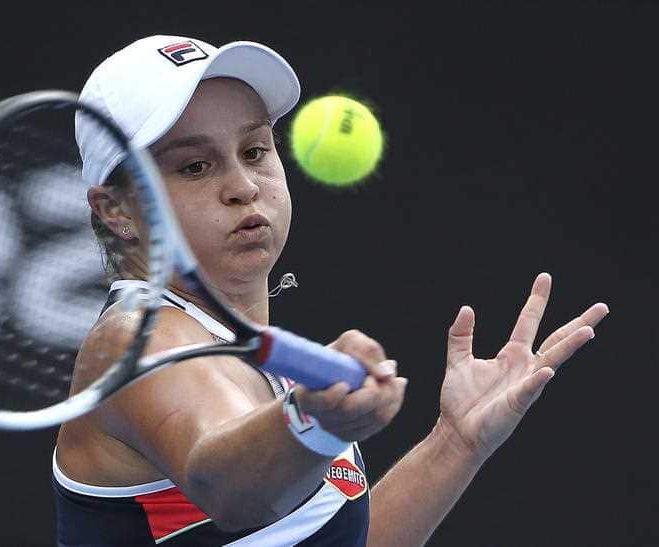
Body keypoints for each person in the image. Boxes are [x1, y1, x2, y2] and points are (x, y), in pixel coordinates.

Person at [53, 35, 609, 546]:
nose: (244, 187)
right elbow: (232, 491)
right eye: (195, 166)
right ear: (119, 209)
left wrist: (455, 443)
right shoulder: (139, 341)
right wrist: (312, 422)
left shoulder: (249, 346)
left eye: (254, 151)